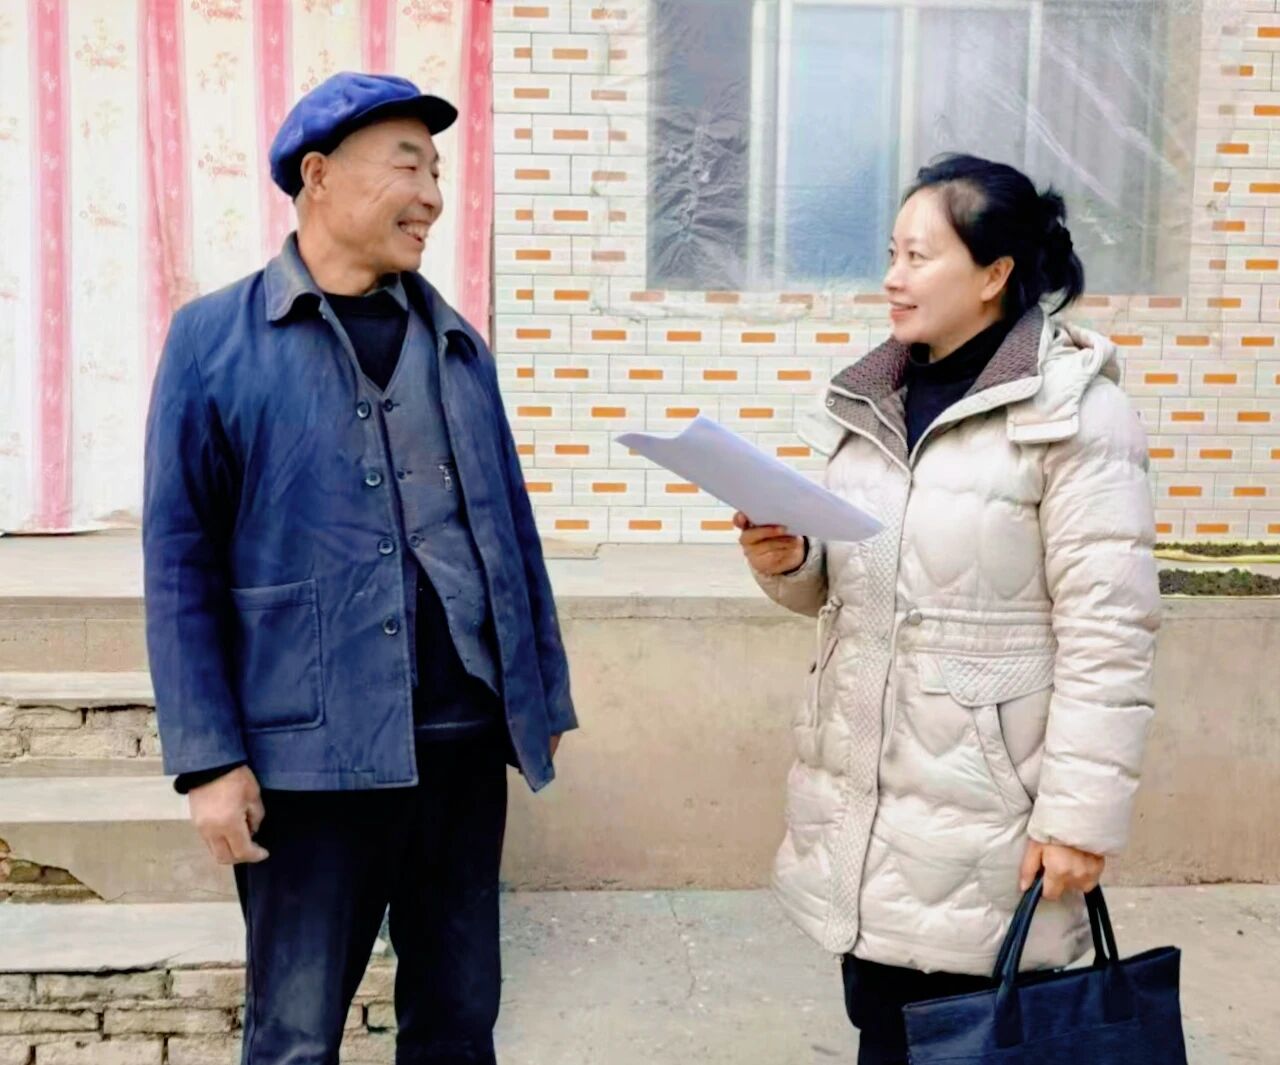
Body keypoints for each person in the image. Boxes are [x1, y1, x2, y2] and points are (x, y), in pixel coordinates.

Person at [143, 71, 576, 1065]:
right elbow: (178, 564)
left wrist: (538, 696)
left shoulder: (456, 343)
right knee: (294, 1037)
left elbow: (508, 531)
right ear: (318, 175)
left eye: (438, 173)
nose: (432, 196)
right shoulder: (213, 341)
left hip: (460, 745)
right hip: (308, 760)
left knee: (458, 1023)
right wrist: (208, 760)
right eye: (408, 167)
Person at [735, 154, 1160, 1064]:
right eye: (892, 253)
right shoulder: (874, 400)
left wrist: (1078, 820)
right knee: (885, 1028)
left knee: (973, 1037)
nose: (893, 277)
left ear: (995, 273)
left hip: (987, 820)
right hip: (869, 808)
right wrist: (794, 560)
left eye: (919, 256)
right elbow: (859, 579)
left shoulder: (1077, 417)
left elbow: (1110, 632)